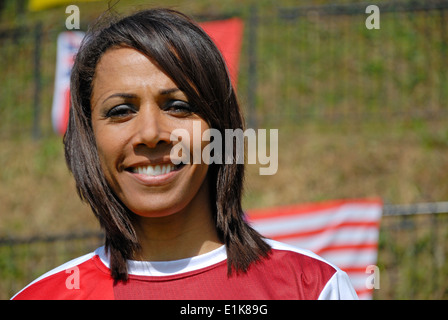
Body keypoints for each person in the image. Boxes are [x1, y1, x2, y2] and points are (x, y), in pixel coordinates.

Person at [12, 8, 357, 300]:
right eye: (120, 111)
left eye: (178, 106)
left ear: (220, 130)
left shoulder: (312, 287)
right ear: (89, 138)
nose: (150, 134)